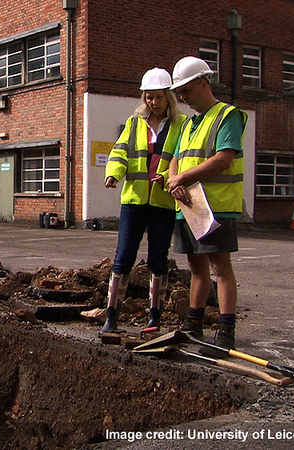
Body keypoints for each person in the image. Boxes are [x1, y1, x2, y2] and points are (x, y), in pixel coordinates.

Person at [165, 56, 247, 355]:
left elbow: (223, 159)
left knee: (219, 268)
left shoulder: (228, 116)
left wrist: (182, 177)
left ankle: (226, 332)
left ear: (203, 82)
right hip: (189, 207)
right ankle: (193, 323)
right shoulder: (189, 124)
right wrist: (174, 179)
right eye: (179, 93)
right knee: (195, 267)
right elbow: (175, 157)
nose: (182, 98)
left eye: (186, 91)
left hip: (216, 206)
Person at [101, 68, 187, 334]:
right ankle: (111, 316)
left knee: (158, 260)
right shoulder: (135, 122)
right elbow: (120, 151)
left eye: (159, 97)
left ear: (168, 97)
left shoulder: (181, 125)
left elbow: (183, 158)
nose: (153, 102)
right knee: (123, 257)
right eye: (149, 97)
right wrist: (113, 173)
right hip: (134, 201)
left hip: (163, 202)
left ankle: (154, 319)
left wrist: (166, 177)